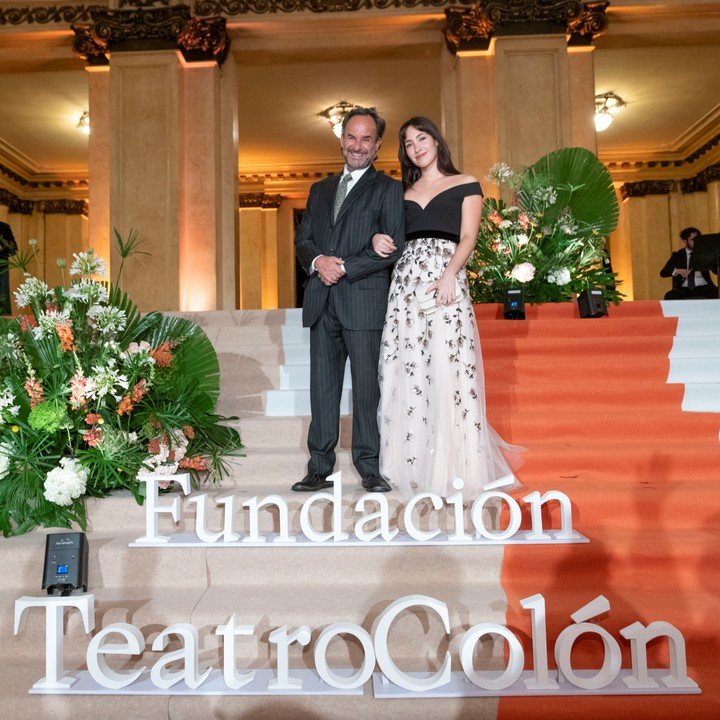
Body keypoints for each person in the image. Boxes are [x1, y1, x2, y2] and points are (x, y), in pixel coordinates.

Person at [372, 117, 521, 499]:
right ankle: (408, 464)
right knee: (407, 367)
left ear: (437, 141)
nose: (416, 147)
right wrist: (378, 239)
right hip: (406, 286)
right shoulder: (400, 194)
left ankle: (456, 468)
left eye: (422, 138)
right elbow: (390, 234)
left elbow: (469, 235)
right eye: (407, 143)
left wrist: (450, 274)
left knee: (448, 367)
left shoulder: (466, 183)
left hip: (446, 281)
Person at [293, 107, 405, 493]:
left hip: (363, 302)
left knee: (366, 390)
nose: (358, 146)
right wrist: (318, 261)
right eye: (352, 137)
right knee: (322, 388)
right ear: (341, 139)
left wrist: (343, 267)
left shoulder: (389, 189)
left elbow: (392, 247)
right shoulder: (319, 189)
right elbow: (303, 240)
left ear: (377, 147)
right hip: (321, 301)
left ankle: (369, 467)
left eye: (366, 139)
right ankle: (318, 467)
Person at [660, 227, 718, 300]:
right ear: (685, 241)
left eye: (698, 239)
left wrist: (715, 258)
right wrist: (677, 271)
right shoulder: (677, 255)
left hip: (704, 287)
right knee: (669, 296)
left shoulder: (705, 253)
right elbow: (663, 273)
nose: (697, 242)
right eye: (693, 240)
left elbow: (716, 271)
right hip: (684, 289)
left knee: (717, 293)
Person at [0, 221, 17, 316]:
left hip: (1, 267)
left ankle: (4, 324)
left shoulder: (4, 227)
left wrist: (3, 246)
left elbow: (14, 249)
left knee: (3, 296)